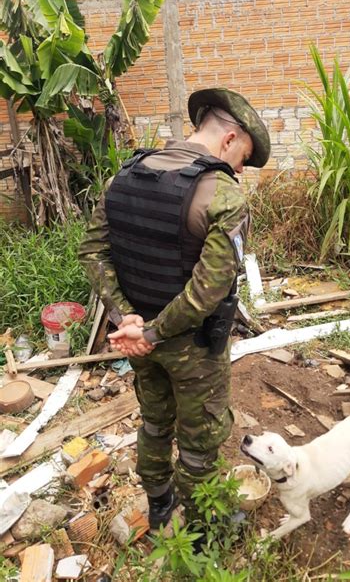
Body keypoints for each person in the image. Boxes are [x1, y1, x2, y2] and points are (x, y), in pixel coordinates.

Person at [79, 88, 270, 531]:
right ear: (229, 138)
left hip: (140, 343)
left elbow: (92, 252)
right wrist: (149, 332)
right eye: (243, 155)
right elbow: (206, 293)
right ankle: (203, 531)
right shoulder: (223, 194)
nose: (240, 167)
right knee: (200, 442)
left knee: (154, 425)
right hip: (193, 349)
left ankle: (160, 504)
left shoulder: (124, 177)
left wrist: (127, 317)